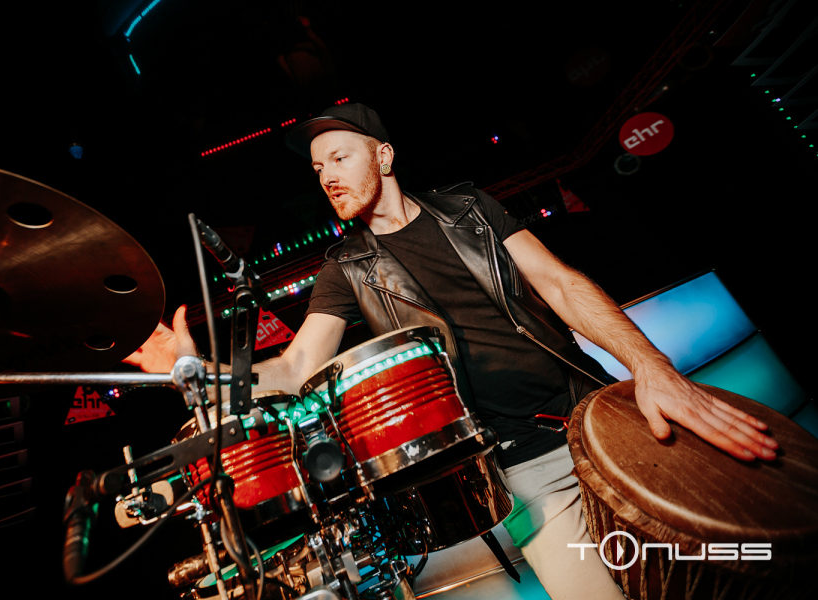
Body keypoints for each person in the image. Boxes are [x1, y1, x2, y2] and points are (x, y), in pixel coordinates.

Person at [125, 103, 778, 599]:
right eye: (318, 169)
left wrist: (652, 367)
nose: (327, 177)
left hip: (601, 423)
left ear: (383, 156)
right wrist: (199, 375)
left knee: (739, 565)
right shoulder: (345, 268)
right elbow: (296, 368)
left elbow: (560, 283)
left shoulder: (469, 208)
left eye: (339, 159)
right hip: (522, 473)